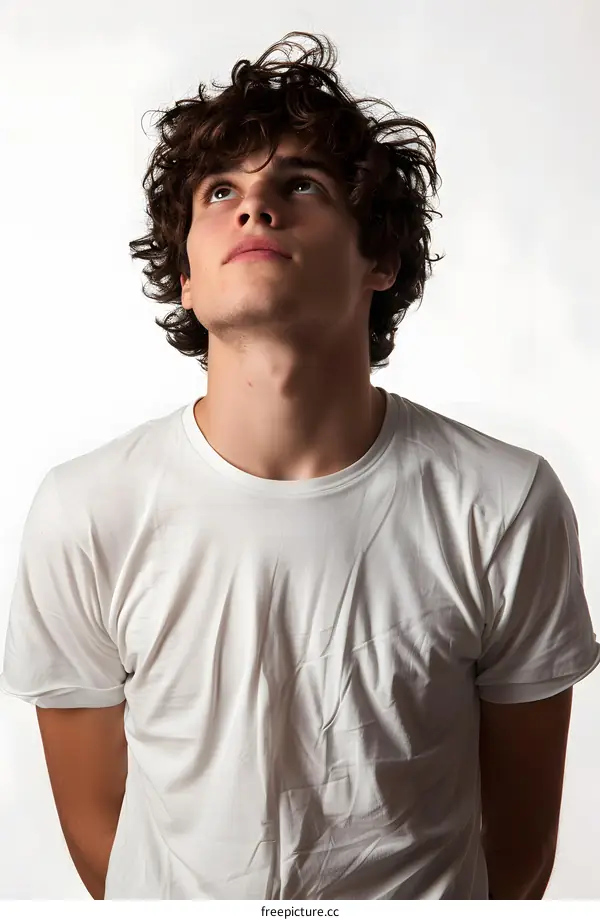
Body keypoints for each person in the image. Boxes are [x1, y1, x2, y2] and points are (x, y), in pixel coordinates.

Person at [1, 31, 598, 902]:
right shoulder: (87, 510)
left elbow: (518, 852)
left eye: (301, 185)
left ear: (380, 262)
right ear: (189, 280)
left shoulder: (503, 503)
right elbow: (103, 833)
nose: (254, 208)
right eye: (220, 192)